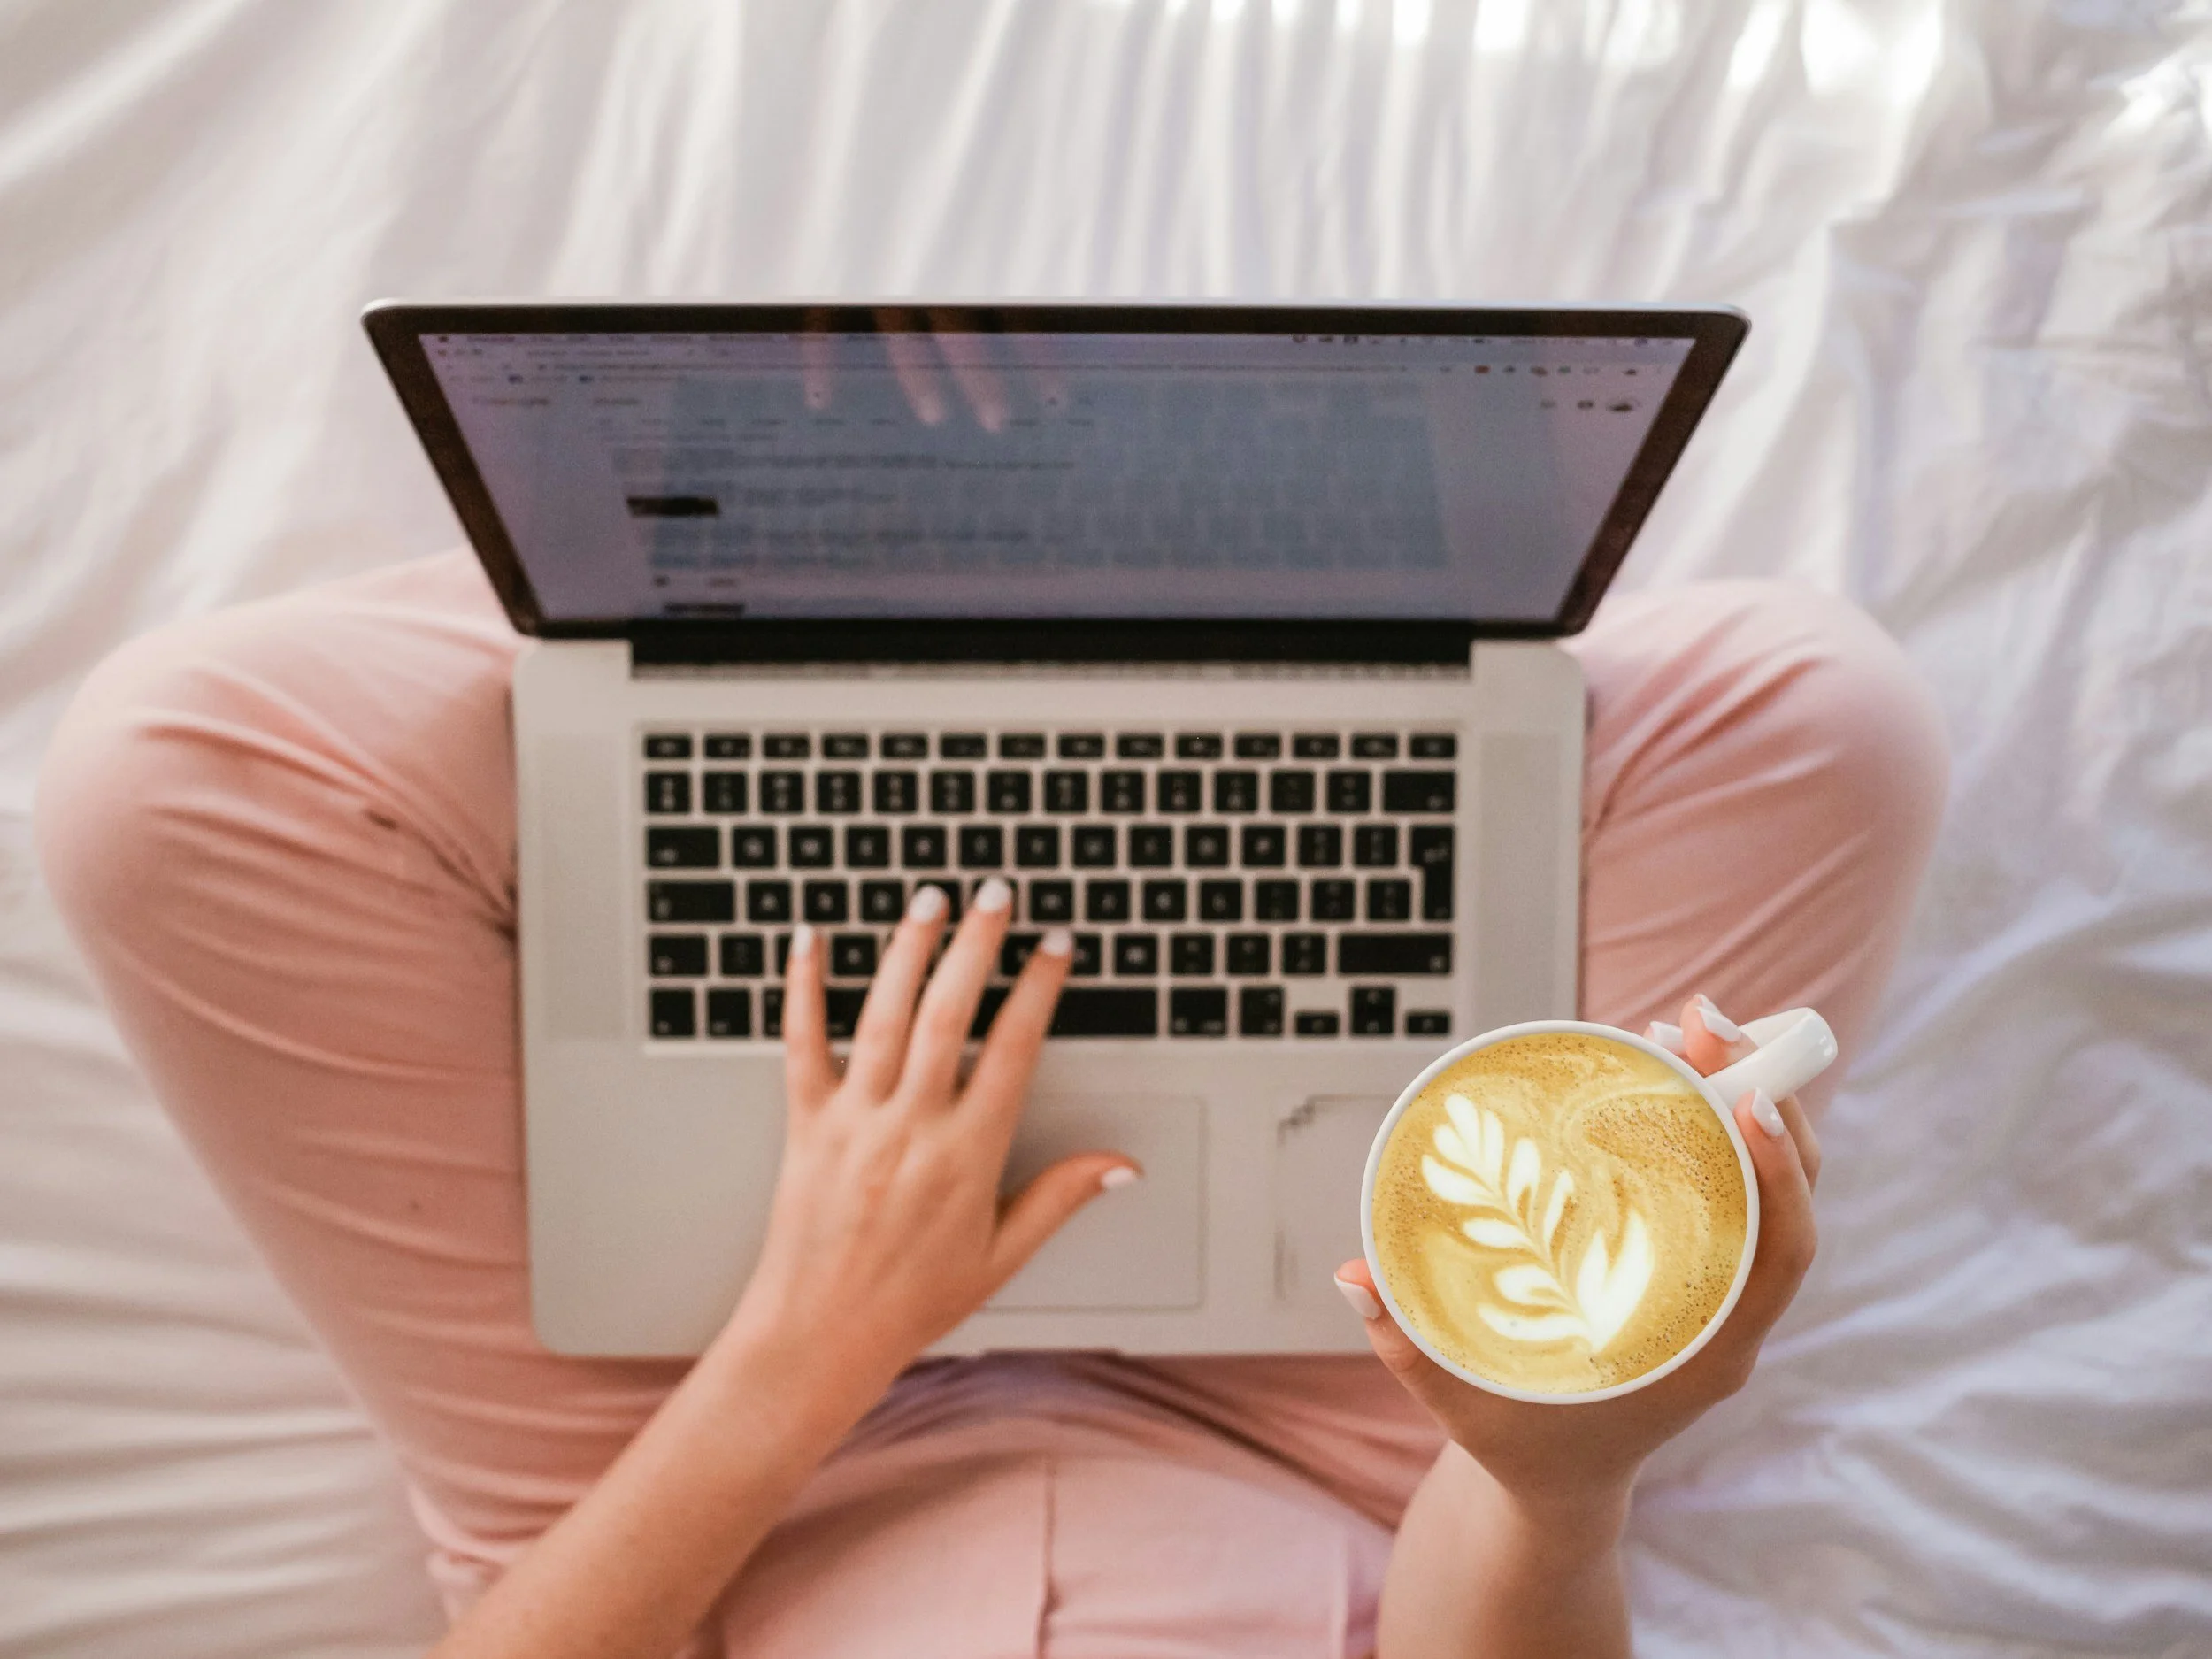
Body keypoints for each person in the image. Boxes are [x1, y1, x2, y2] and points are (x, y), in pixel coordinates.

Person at [34, 551, 1947, 1657]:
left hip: (714, 1481)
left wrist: (812, 1338)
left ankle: (782, 577)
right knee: (1812, 715)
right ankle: (1180, 583)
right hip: (1363, 1457)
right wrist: (1554, 1472)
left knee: (172, 771)